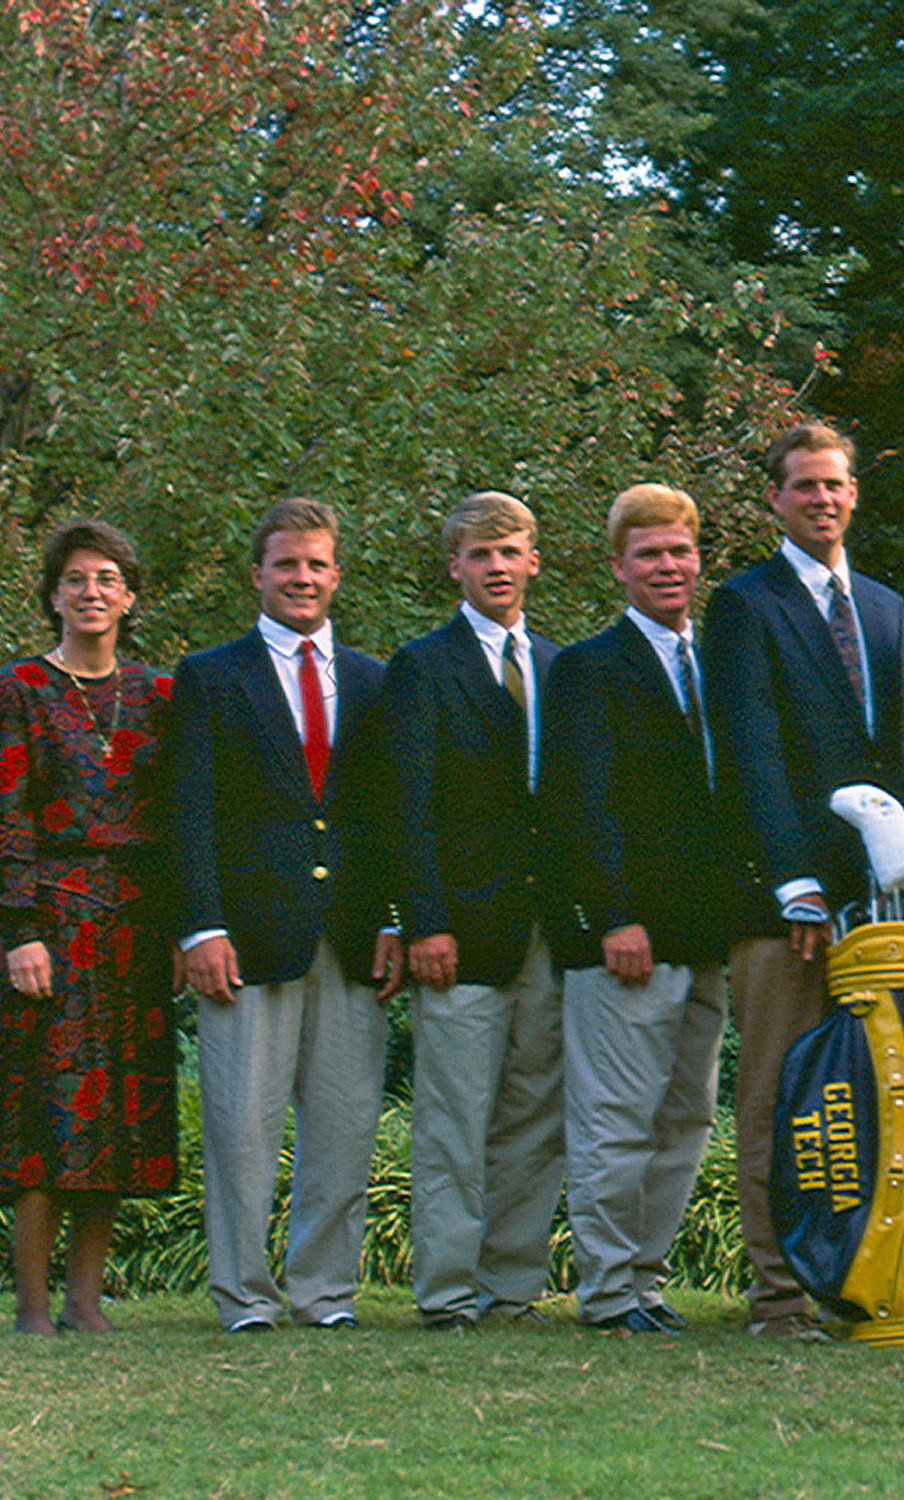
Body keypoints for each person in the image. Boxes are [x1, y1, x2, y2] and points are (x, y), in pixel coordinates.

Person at [703, 423, 904, 1341]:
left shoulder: (880, 604)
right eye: (802, 488)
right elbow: (749, 752)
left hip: (877, 902)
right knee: (781, 1098)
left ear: (854, 494)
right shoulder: (744, 605)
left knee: (869, 1100)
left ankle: (860, 1281)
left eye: (834, 485)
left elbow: (900, 756)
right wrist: (793, 879)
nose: (821, 500)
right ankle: (780, 1296)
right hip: (783, 901)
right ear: (774, 502)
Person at [169, 498, 402, 1333]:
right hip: (246, 938)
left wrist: (394, 920)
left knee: (342, 1131)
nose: (301, 578)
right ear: (258, 576)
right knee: (239, 1133)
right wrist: (200, 926)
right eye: (285, 565)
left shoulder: (377, 681)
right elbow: (187, 812)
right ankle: (243, 1296)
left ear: (336, 575)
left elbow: (387, 814)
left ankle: (325, 1293)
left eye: (316, 565)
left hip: (350, 936)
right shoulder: (210, 676)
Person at [0, 519, 177, 1335]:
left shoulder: (161, 696)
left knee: (116, 1112)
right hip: (49, 919)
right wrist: (17, 926)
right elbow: (0, 814)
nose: (91, 592)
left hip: (134, 925)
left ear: (129, 596)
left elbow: (175, 818)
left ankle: (86, 1303)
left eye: (107, 579)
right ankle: (30, 1307)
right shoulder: (15, 689)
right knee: (43, 1111)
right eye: (76, 579)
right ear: (53, 594)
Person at [541, 484, 730, 1336]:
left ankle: (647, 1283)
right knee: (615, 1122)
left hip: (708, 931)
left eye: (679, 552)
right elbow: (580, 805)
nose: (667, 567)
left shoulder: (721, 661)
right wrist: (613, 915)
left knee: (685, 1116)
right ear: (617, 566)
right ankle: (608, 1290)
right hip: (626, 938)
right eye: (649, 554)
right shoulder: (586, 668)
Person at [384, 491, 563, 1330]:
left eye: (511, 551)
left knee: (535, 1117)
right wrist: (424, 921)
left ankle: (514, 1286)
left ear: (533, 560)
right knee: (455, 1118)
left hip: (547, 930)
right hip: (459, 927)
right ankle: (449, 1291)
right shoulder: (424, 667)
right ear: (455, 566)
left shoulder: (564, 666)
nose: (497, 567)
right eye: (480, 554)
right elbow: (406, 806)